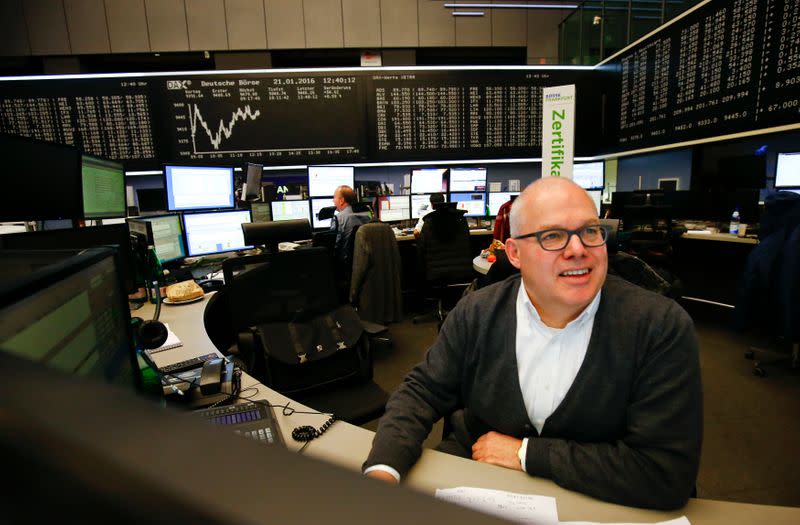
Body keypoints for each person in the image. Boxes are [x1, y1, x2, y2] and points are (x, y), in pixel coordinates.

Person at [363, 177, 702, 510]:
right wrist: (384, 468)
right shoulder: (478, 311)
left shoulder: (659, 326)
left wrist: (526, 454)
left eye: (590, 231)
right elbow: (421, 391)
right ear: (515, 253)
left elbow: (665, 474)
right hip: (480, 481)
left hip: (599, 502)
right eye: (552, 236)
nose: (578, 250)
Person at [330, 185, 371, 268]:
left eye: (334, 198)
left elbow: (334, 245)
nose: (333, 201)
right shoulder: (367, 215)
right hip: (364, 261)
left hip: (345, 264)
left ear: (341, 200)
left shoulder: (338, 218)